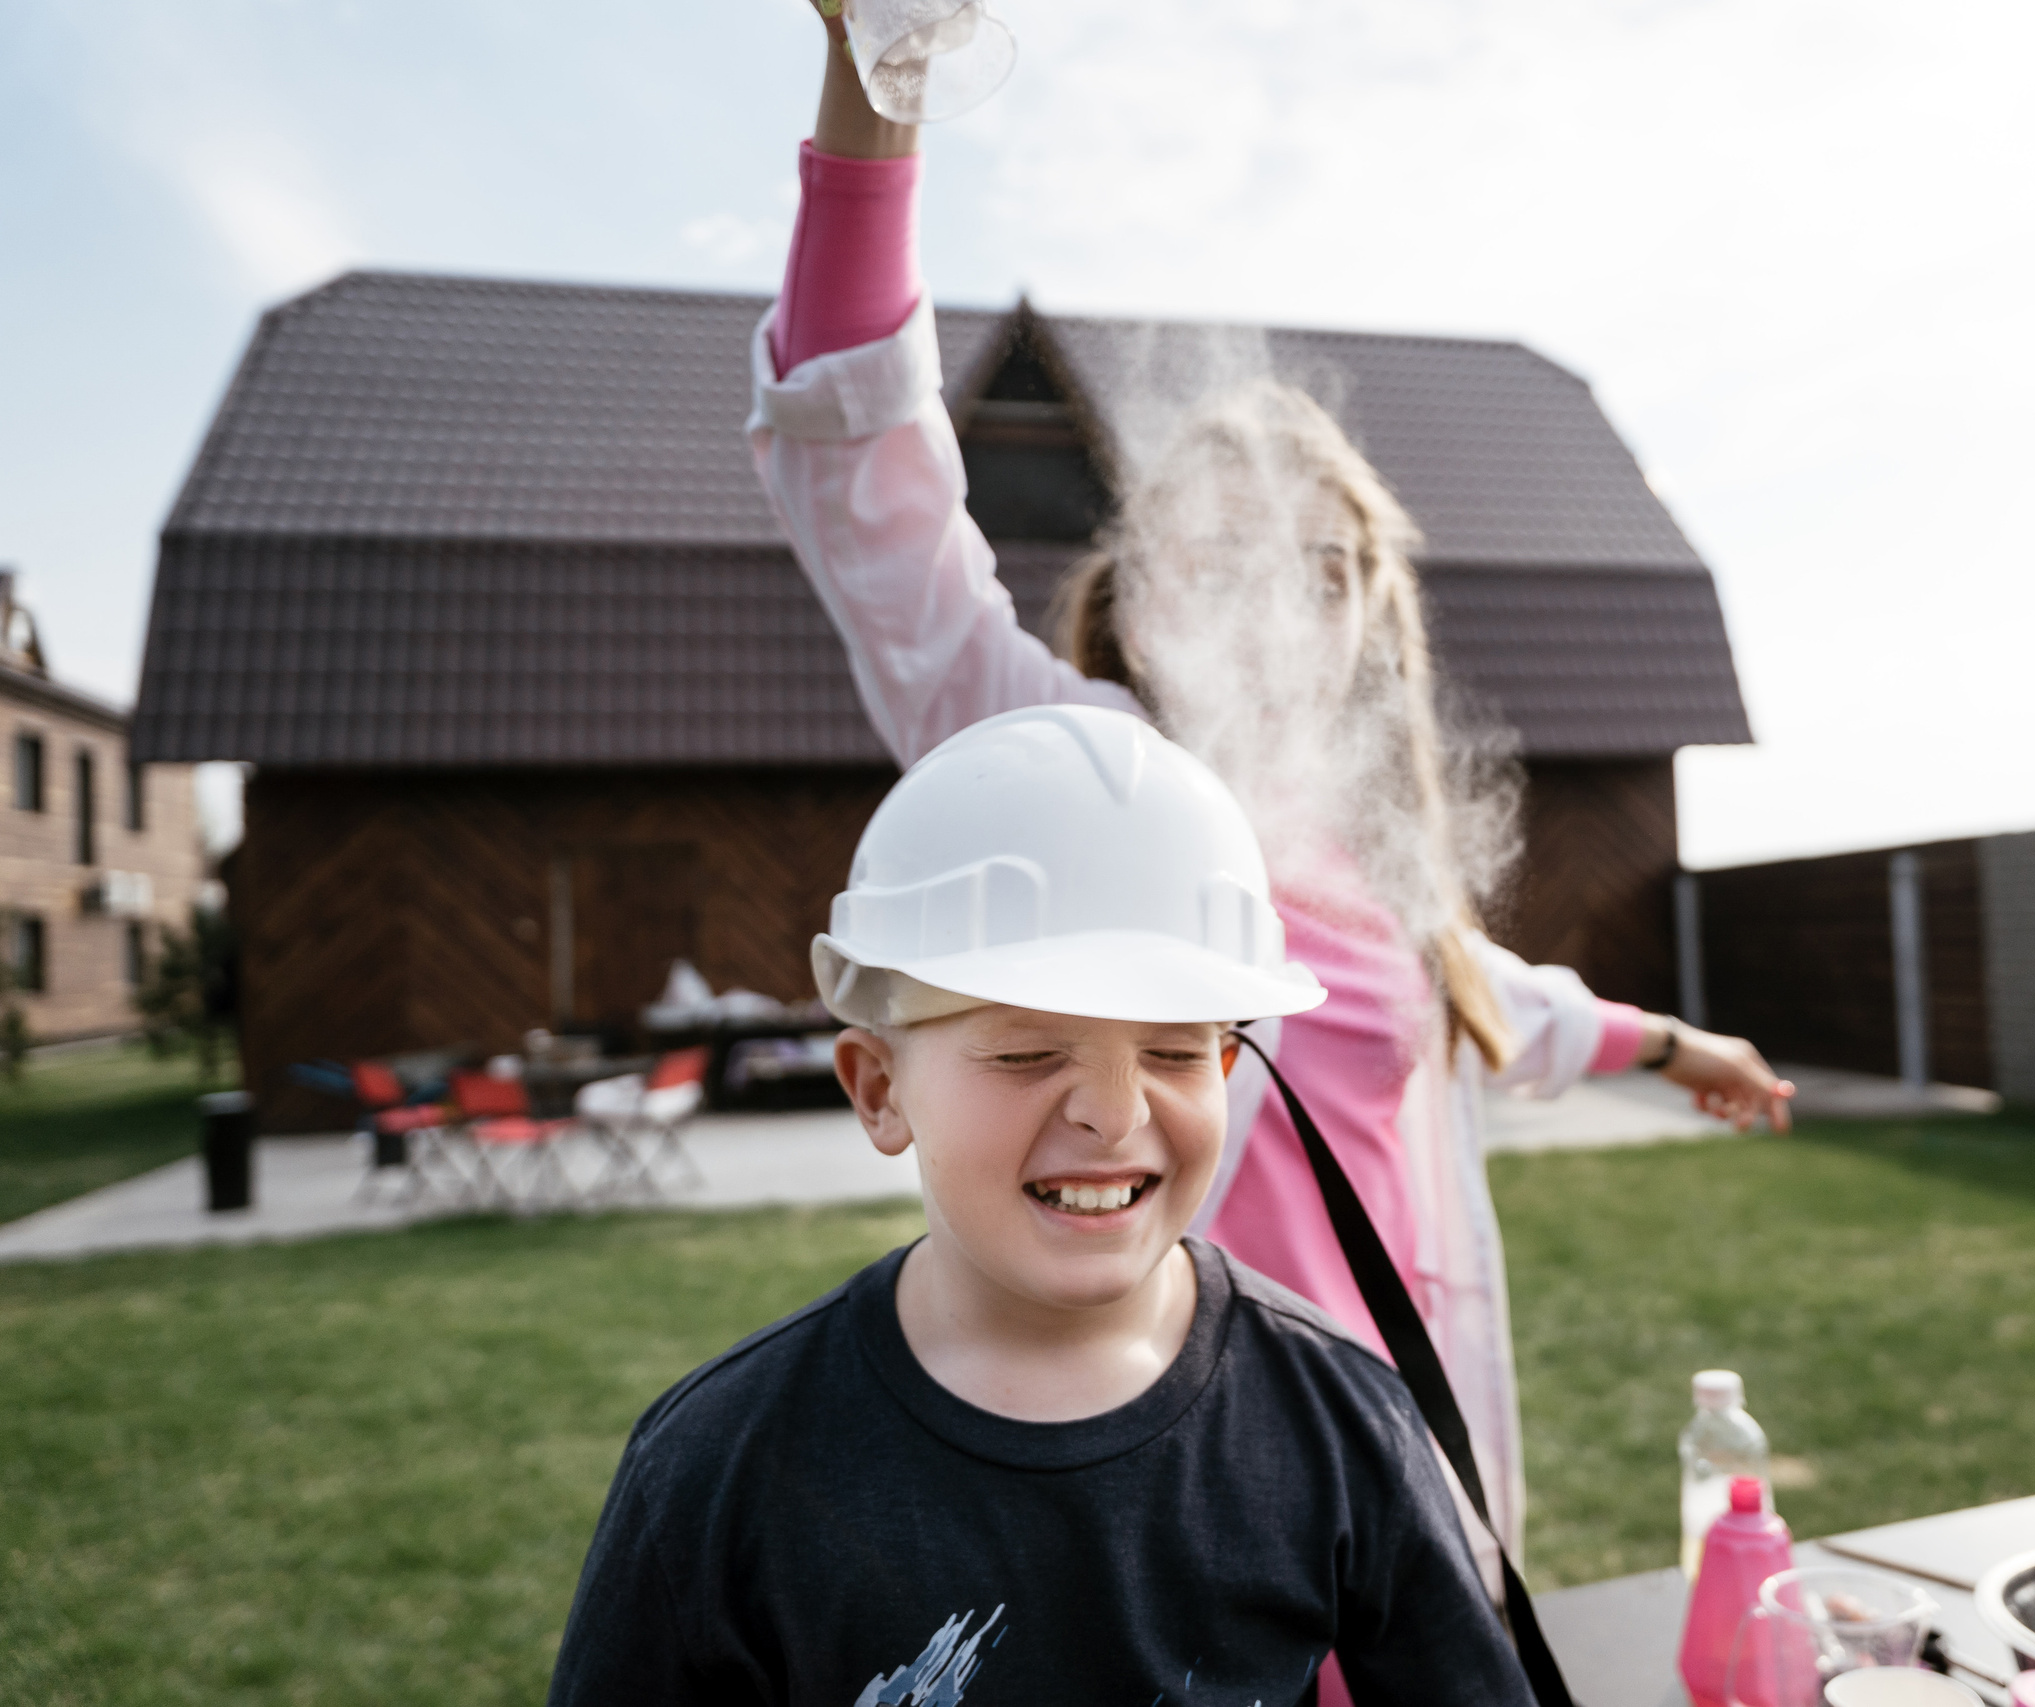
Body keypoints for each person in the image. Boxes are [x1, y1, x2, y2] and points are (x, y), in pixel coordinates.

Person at [751, 0, 1795, 1604]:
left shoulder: (1372, 851)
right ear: (1144, 578)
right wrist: (873, 83)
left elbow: (1491, 1007)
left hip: (1406, 1455)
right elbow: (871, 491)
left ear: (1366, 603)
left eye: (1323, 562)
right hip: (1190, 1465)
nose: (1275, 593)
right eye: (1218, 544)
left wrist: (1675, 1042)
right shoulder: (1080, 764)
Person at [549, 704, 1538, 1705]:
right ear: (879, 1089)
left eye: (1174, 1051)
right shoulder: (718, 1470)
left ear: (1231, 1065)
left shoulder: (1338, 1421)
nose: (1113, 1114)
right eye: (1026, 1053)